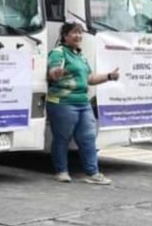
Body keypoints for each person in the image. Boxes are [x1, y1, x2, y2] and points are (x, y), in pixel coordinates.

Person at [46, 22, 118, 184]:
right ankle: (61, 171)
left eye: (80, 33)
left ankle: (93, 173)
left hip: (82, 103)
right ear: (65, 36)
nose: (78, 36)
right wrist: (55, 73)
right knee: (62, 138)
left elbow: (90, 79)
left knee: (88, 137)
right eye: (74, 33)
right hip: (62, 103)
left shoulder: (81, 56)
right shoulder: (59, 53)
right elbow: (52, 72)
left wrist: (109, 76)